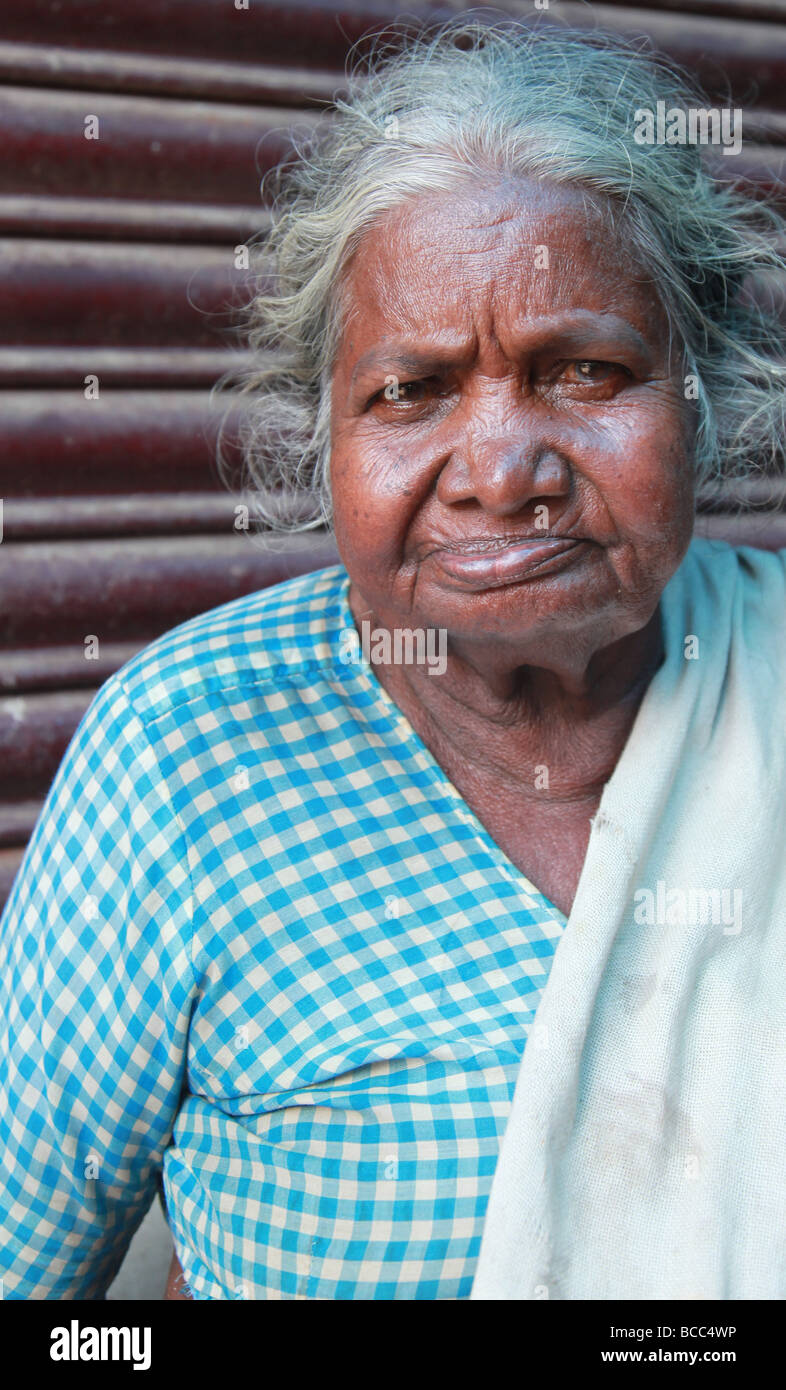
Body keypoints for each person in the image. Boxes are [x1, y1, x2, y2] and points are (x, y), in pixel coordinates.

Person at [2, 19, 785, 1302]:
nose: (501, 472)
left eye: (585, 369)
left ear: (707, 397)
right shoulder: (184, 759)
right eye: (410, 391)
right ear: (323, 440)